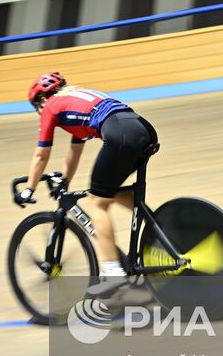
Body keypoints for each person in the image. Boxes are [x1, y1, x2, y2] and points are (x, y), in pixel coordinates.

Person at [17, 72, 158, 297]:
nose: (39, 112)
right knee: (107, 192)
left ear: (42, 99)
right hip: (142, 128)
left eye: (37, 107)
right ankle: (160, 229)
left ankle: (113, 273)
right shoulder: (75, 98)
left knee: (95, 203)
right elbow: (75, 150)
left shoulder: (51, 106)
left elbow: (41, 155)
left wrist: (28, 189)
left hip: (120, 134)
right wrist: (64, 180)